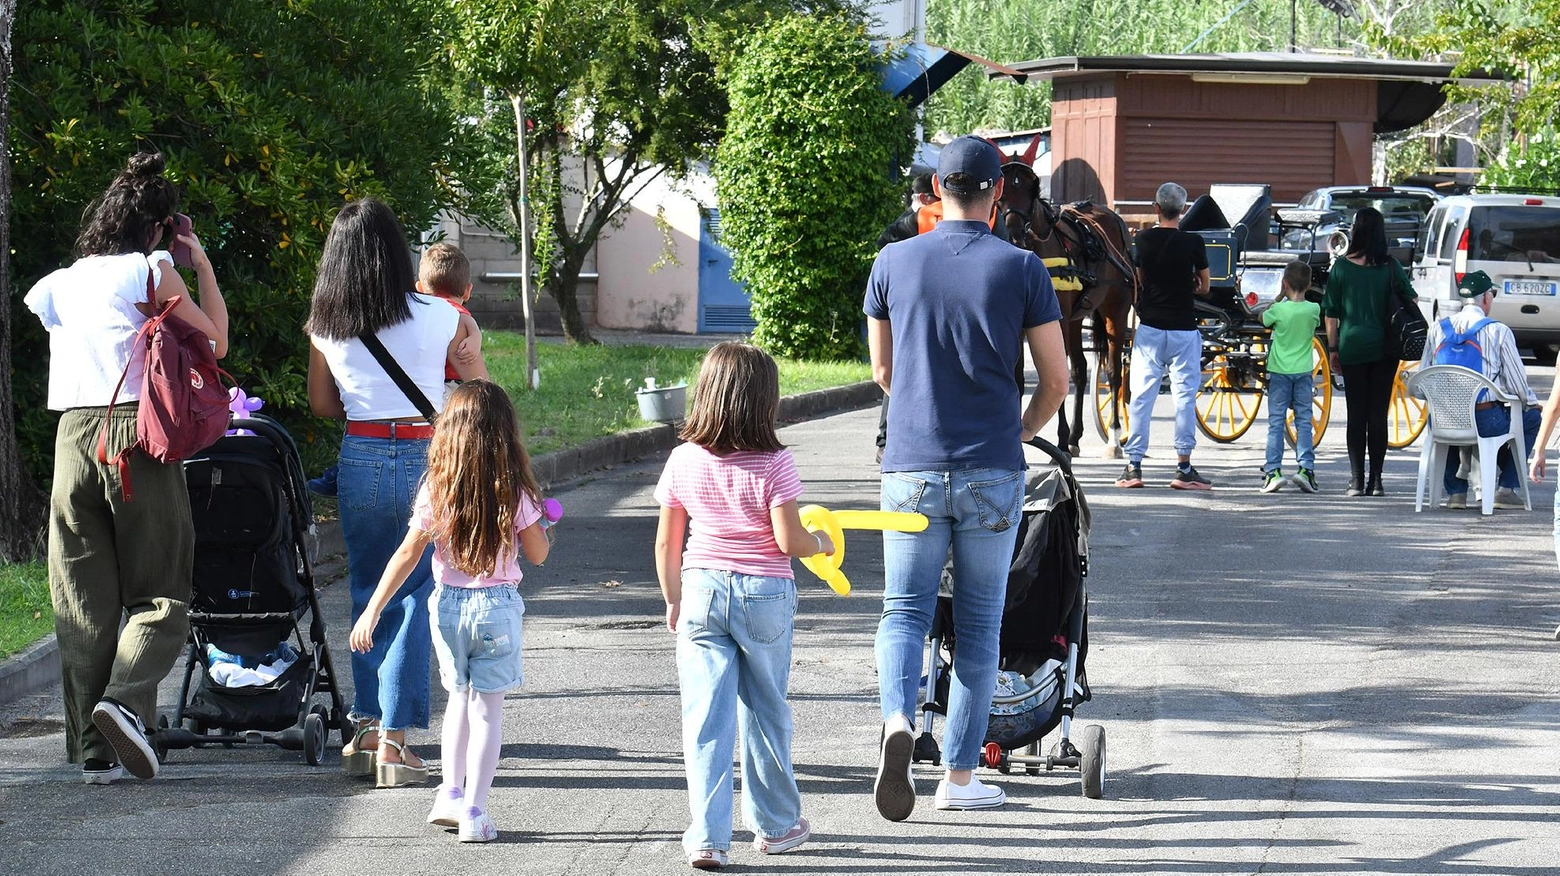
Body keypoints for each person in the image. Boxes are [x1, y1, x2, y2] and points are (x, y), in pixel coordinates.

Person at [864, 135, 1068, 821]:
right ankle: (958, 778)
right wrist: (1020, 428)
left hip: (911, 468)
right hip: (991, 469)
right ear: (998, 193)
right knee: (981, 626)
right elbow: (1057, 378)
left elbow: (884, 372)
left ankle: (898, 719)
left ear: (934, 190)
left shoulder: (892, 262)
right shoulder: (1021, 268)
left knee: (904, 611)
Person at [23, 152, 229, 784]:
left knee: (84, 603)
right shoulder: (152, 270)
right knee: (161, 590)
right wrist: (203, 266)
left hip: (72, 436)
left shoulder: (56, 283)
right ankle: (122, 701)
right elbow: (215, 342)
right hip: (136, 433)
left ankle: (95, 752)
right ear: (159, 226)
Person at [307, 197, 484, 787]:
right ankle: (395, 743)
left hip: (358, 454)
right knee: (409, 595)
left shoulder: (324, 323)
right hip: (422, 453)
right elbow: (476, 391)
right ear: (396, 253)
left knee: (367, 589)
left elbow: (323, 405)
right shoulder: (441, 315)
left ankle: (363, 728)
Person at [653, 341, 836, 869]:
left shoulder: (683, 458)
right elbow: (789, 541)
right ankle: (776, 826)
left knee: (705, 716)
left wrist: (672, 598)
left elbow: (667, 542)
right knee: (765, 708)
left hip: (701, 589)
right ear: (764, 402)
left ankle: (708, 837)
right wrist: (820, 542)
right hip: (764, 595)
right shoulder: (776, 462)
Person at [349, 379, 548, 843]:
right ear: (505, 436)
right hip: (496, 610)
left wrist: (372, 610)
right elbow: (537, 554)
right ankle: (475, 812)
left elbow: (406, 554)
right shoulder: (513, 490)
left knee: (458, 700)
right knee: (488, 712)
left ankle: (450, 793)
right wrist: (540, 519)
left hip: (448, 609)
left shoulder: (438, 489)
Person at [308, 243, 484, 497]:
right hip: (444, 403)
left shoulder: (336, 320)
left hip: (366, 443)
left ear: (420, 288)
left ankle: (339, 473)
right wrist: (475, 333)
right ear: (468, 290)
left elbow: (322, 405)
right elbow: (484, 389)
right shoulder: (452, 316)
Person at [1116, 182, 1213, 490]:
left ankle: (1134, 466)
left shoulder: (1143, 240)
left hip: (1151, 328)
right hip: (1184, 327)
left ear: (1156, 208)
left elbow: (1142, 280)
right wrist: (1193, 281)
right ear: (1183, 210)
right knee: (1184, 397)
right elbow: (1206, 286)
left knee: (1142, 397)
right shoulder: (1194, 242)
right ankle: (1183, 467)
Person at [1425, 270, 1540, 509]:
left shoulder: (1437, 329)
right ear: (1486, 298)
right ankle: (1505, 488)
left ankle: (1456, 492)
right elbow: (1517, 384)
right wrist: (1530, 402)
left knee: (1448, 420)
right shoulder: (1498, 331)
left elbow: (1424, 376)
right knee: (1530, 418)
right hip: (1484, 419)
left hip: (1442, 419)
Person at [1323, 206, 1416, 497]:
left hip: (1352, 346)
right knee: (1378, 414)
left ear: (1356, 231)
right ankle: (1376, 481)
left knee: (1356, 415)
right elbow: (1409, 298)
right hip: (1386, 348)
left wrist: (1333, 348)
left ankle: (1355, 480)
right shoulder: (1390, 266)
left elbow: (1330, 314)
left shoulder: (1341, 268)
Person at [1259, 261, 1322, 493]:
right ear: (1308, 284)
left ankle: (1273, 470)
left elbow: (1264, 319)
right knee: (1304, 420)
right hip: (1303, 371)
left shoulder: (1279, 310)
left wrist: (1278, 298)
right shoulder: (1313, 310)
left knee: (1276, 422)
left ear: (1285, 283)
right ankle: (1306, 469)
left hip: (1279, 371)